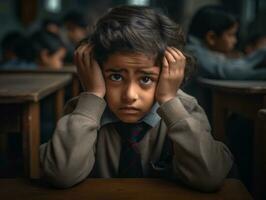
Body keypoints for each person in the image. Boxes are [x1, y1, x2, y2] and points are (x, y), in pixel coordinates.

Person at [40, 5, 233, 191]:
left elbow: (210, 177)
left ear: (169, 74)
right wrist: (93, 95)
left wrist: (168, 100)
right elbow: (60, 175)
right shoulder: (83, 111)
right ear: (96, 71)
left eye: (146, 79)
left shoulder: (185, 109)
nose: (130, 95)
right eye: (116, 76)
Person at [185, 5, 266, 81]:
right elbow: (228, 72)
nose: (235, 40)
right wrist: (261, 55)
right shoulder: (194, 54)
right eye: (230, 35)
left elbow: (231, 65)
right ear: (211, 37)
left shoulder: (205, 51)